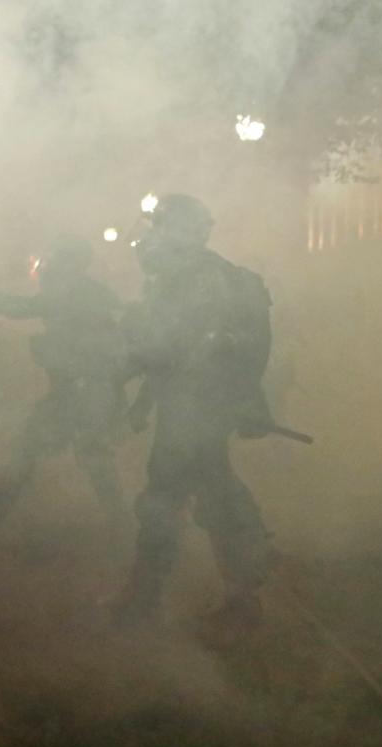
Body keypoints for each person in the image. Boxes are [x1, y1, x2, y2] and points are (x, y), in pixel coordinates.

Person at [112, 194, 276, 640]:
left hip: (196, 409)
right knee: (194, 491)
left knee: (175, 497)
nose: (151, 238)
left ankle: (224, 598)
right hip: (193, 406)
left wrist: (124, 367)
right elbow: (170, 355)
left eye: (160, 227)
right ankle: (226, 593)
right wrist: (141, 397)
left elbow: (172, 350)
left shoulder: (197, 280)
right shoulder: (197, 276)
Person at [0, 235, 127, 526]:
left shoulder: (75, 293)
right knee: (87, 458)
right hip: (81, 391)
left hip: (85, 392)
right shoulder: (85, 291)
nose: (47, 265)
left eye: (55, 259)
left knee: (61, 453)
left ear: (70, 264)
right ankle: (123, 525)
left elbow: (19, 308)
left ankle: (124, 526)